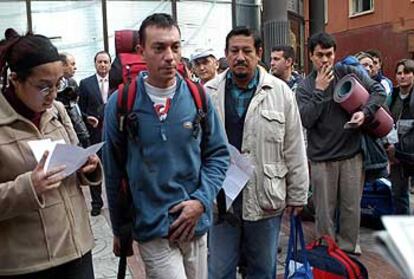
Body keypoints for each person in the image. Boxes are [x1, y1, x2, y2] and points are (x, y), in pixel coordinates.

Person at [103, 13, 229, 279]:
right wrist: (119, 229)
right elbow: (114, 171)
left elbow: (218, 155)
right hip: (152, 228)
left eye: (175, 46)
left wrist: (201, 201)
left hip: (195, 224)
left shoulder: (198, 97)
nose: (170, 56)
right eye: (159, 48)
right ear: (141, 52)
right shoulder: (121, 103)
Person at [205, 26, 309, 279]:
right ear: (226, 54)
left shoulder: (280, 92)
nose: (240, 56)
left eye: (246, 51)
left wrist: (298, 193)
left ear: (258, 53)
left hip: (265, 199)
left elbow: (294, 145)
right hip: (221, 201)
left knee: (263, 270)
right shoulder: (208, 93)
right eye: (234, 51)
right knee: (218, 271)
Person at [0, 29, 101, 278]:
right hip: (27, 263)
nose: (53, 94)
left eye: (58, 84)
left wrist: (87, 166)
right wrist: (29, 186)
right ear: (15, 80)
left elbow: (74, 157)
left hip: (76, 248)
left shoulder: (56, 110)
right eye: (43, 87)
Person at [296, 32, 386, 255]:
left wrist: (364, 113)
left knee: (350, 210)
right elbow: (306, 119)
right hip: (321, 159)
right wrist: (319, 90)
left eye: (329, 54)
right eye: (320, 55)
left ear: (335, 54)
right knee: (324, 214)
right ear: (311, 56)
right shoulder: (305, 86)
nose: (325, 60)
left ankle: (349, 257)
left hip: (351, 155)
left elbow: (378, 91)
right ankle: (328, 257)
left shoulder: (348, 72)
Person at [78, 50, 111, 216]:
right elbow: (79, 110)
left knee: (113, 170)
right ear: (95, 64)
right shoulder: (85, 84)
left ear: (110, 64)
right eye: (100, 62)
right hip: (94, 135)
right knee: (94, 168)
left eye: (106, 62)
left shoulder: (118, 83)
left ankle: (115, 202)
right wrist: (87, 118)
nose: (103, 65)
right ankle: (96, 203)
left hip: (113, 135)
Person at [386, 59, 414, 215]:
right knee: (398, 195)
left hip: (409, 151)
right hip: (395, 153)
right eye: (399, 73)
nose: (403, 76)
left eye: (407, 72)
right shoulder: (392, 96)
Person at [57, 52, 90, 148]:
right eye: (72, 64)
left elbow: (75, 106)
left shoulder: (72, 83)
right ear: (62, 66)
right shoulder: (54, 87)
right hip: (67, 133)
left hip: (80, 130)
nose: (75, 68)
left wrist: (85, 118)